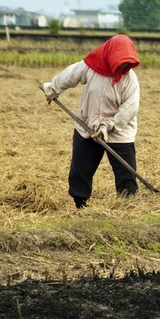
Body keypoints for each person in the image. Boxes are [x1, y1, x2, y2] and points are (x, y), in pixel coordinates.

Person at [42, 34, 141, 209]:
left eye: (127, 62)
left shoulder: (130, 79)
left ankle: (127, 207)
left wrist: (108, 126)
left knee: (126, 174)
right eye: (120, 61)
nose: (123, 66)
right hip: (87, 126)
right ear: (111, 56)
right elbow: (69, 76)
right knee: (81, 170)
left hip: (119, 132)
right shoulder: (91, 66)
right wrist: (53, 88)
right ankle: (80, 204)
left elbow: (129, 108)